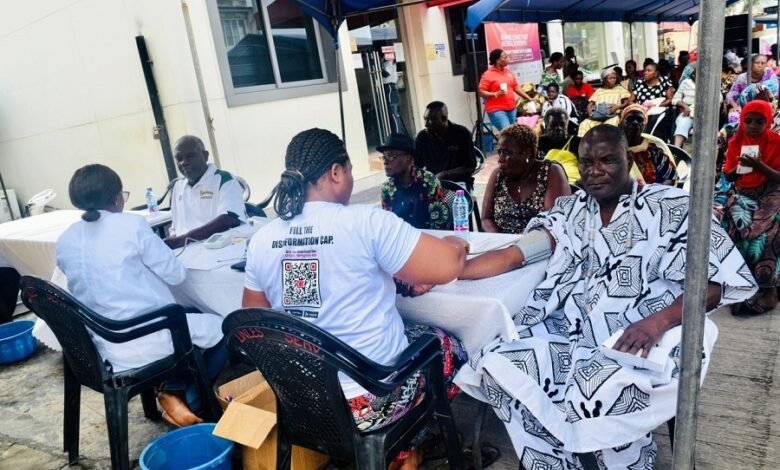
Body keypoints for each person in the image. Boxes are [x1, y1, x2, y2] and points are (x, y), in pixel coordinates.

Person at [454, 125, 757, 469]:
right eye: (586, 163)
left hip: (638, 335)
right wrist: (451, 271)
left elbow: (714, 281)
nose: (595, 171)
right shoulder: (570, 211)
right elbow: (516, 255)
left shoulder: (669, 207)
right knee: (492, 362)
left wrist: (657, 322)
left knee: (597, 388)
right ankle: (556, 459)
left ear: (629, 160)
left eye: (607, 160)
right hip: (568, 331)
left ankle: (615, 460)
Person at [242, 128, 469, 469]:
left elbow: (253, 319)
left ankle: (402, 453)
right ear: (336, 172)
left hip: (304, 402)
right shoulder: (365, 223)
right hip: (370, 400)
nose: (350, 178)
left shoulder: (262, 239)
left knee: (410, 340)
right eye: (348, 170)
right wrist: (456, 243)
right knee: (449, 348)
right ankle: (407, 446)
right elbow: (447, 266)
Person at [56, 164, 226, 427]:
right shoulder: (131, 225)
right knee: (227, 326)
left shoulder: (66, 239)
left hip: (104, 343)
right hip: (145, 337)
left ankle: (171, 387)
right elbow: (176, 275)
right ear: (116, 198)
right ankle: (191, 399)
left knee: (191, 317)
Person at [720, 100, 780, 316]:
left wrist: (759, 165)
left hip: (771, 191)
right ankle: (740, 282)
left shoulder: (776, 142)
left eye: (759, 121)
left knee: (765, 231)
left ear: (768, 121)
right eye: (748, 121)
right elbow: (727, 175)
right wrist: (739, 167)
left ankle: (768, 290)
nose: (753, 126)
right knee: (731, 226)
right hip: (743, 192)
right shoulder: (736, 142)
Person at [482, 124, 570, 233]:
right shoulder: (498, 176)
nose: (500, 159)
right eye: (499, 152)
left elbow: (554, 223)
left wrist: (523, 246)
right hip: (503, 244)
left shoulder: (550, 172)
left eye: (507, 153)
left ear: (527, 153)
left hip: (543, 244)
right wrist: (499, 240)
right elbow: (486, 218)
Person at [165, 135, 247, 249]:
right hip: (185, 251)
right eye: (179, 158)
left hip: (219, 250)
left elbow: (230, 219)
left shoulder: (223, 179)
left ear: (205, 156)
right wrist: (172, 242)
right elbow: (176, 227)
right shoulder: (177, 187)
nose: (184, 162)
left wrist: (182, 240)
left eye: (190, 156)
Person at [379, 133, 450, 230]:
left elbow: (440, 224)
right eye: (384, 157)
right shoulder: (387, 188)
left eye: (391, 155)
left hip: (429, 240)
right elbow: (388, 226)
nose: (385, 161)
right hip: (401, 242)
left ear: (408, 158)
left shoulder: (429, 182)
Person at [414, 101, 476, 190]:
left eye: (431, 119)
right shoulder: (422, 137)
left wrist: (445, 174)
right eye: (425, 119)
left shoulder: (462, 133)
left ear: (444, 119)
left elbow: (470, 166)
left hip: (458, 184)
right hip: (433, 184)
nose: (426, 124)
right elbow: (417, 165)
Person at [620, 104, 678, 185]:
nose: (635, 122)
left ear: (645, 125)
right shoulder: (612, 148)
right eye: (629, 119)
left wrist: (654, 192)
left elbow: (670, 177)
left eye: (640, 119)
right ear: (621, 123)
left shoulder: (654, 148)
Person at [479, 49, 534, 131]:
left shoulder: (508, 72)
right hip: (497, 110)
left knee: (513, 134)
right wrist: (495, 94)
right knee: (508, 133)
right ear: (497, 60)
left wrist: (529, 98)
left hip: (511, 109)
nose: (508, 59)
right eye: (505, 57)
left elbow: (516, 87)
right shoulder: (488, 74)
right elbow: (481, 92)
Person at [577, 67, 631, 137]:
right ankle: (583, 144)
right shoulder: (599, 91)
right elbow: (590, 104)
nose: (613, 80)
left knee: (610, 125)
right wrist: (589, 111)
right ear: (604, 80)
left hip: (612, 115)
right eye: (610, 78)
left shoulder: (620, 89)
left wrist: (617, 107)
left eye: (614, 78)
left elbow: (626, 102)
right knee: (584, 124)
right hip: (598, 116)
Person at [630, 62, 674, 139]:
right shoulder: (639, 83)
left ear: (656, 73)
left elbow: (670, 98)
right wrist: (639, 107)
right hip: (642, 110)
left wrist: (657, 105)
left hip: (659, 109)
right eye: (645, 71)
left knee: (654, 118)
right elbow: (631, 100)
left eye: (649, 71)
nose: (645, 73)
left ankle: (647, 139)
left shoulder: (664, 81)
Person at [538, 108, 581, 185]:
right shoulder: (539, 142)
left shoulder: (577, 142)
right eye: (553, 125)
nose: (558, 128)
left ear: (567, 124)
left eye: (562, 124)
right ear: (546, 125)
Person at [671, 63, 701, 147]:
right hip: (689, 113)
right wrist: (685, 106)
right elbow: (675, 99)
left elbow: (719, 98)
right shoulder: (686, 83)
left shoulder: (709, 84)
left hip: (704, 114)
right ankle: (677, 150)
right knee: (682, 123)